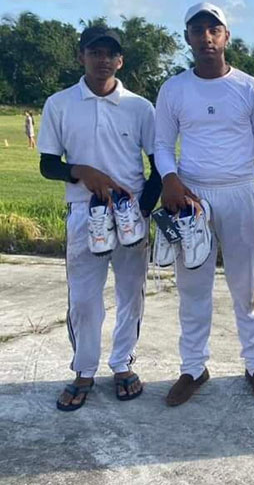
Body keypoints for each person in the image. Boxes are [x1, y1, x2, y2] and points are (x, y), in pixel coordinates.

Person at [155, 2, 254, 406]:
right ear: (187, 37)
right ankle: (193, 366)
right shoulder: (174, 88)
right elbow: (161, 144)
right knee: (193, 286)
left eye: (214, 29)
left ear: (226, 36)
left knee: (246, 285)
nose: (206, 37)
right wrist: (169, 179)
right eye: (197, 30)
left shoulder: (250, 87)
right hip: (192, 195)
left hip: (241, 192)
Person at [38, 26, 161, 411]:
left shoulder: (140, 107)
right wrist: (82, 172)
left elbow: (159, 167)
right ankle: (84, 371)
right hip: (83, 213)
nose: (103, 59)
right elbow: (47, 165)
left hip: (130, 215)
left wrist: (141, 212)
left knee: (131, 296)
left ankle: (123, 364)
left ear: (120, 60)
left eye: (110, 53)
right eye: (95, 52)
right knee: (85, 300)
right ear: (81, 56)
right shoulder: (59, 103)